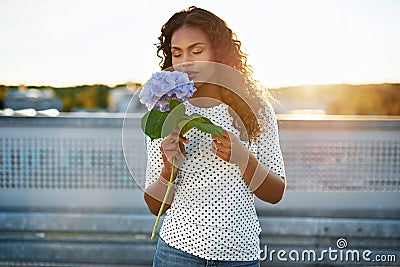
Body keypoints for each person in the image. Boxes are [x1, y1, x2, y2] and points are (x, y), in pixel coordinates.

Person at [143, 6, 286, 267]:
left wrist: (243, 159)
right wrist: (168, 170)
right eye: (177, 53)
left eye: (197, 51)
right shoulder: (165, 110)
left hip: (239, 255)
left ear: (219, 53)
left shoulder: (255, 108)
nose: (186, 61)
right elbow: (155, 207)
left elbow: (276, 193)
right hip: (176, 253)